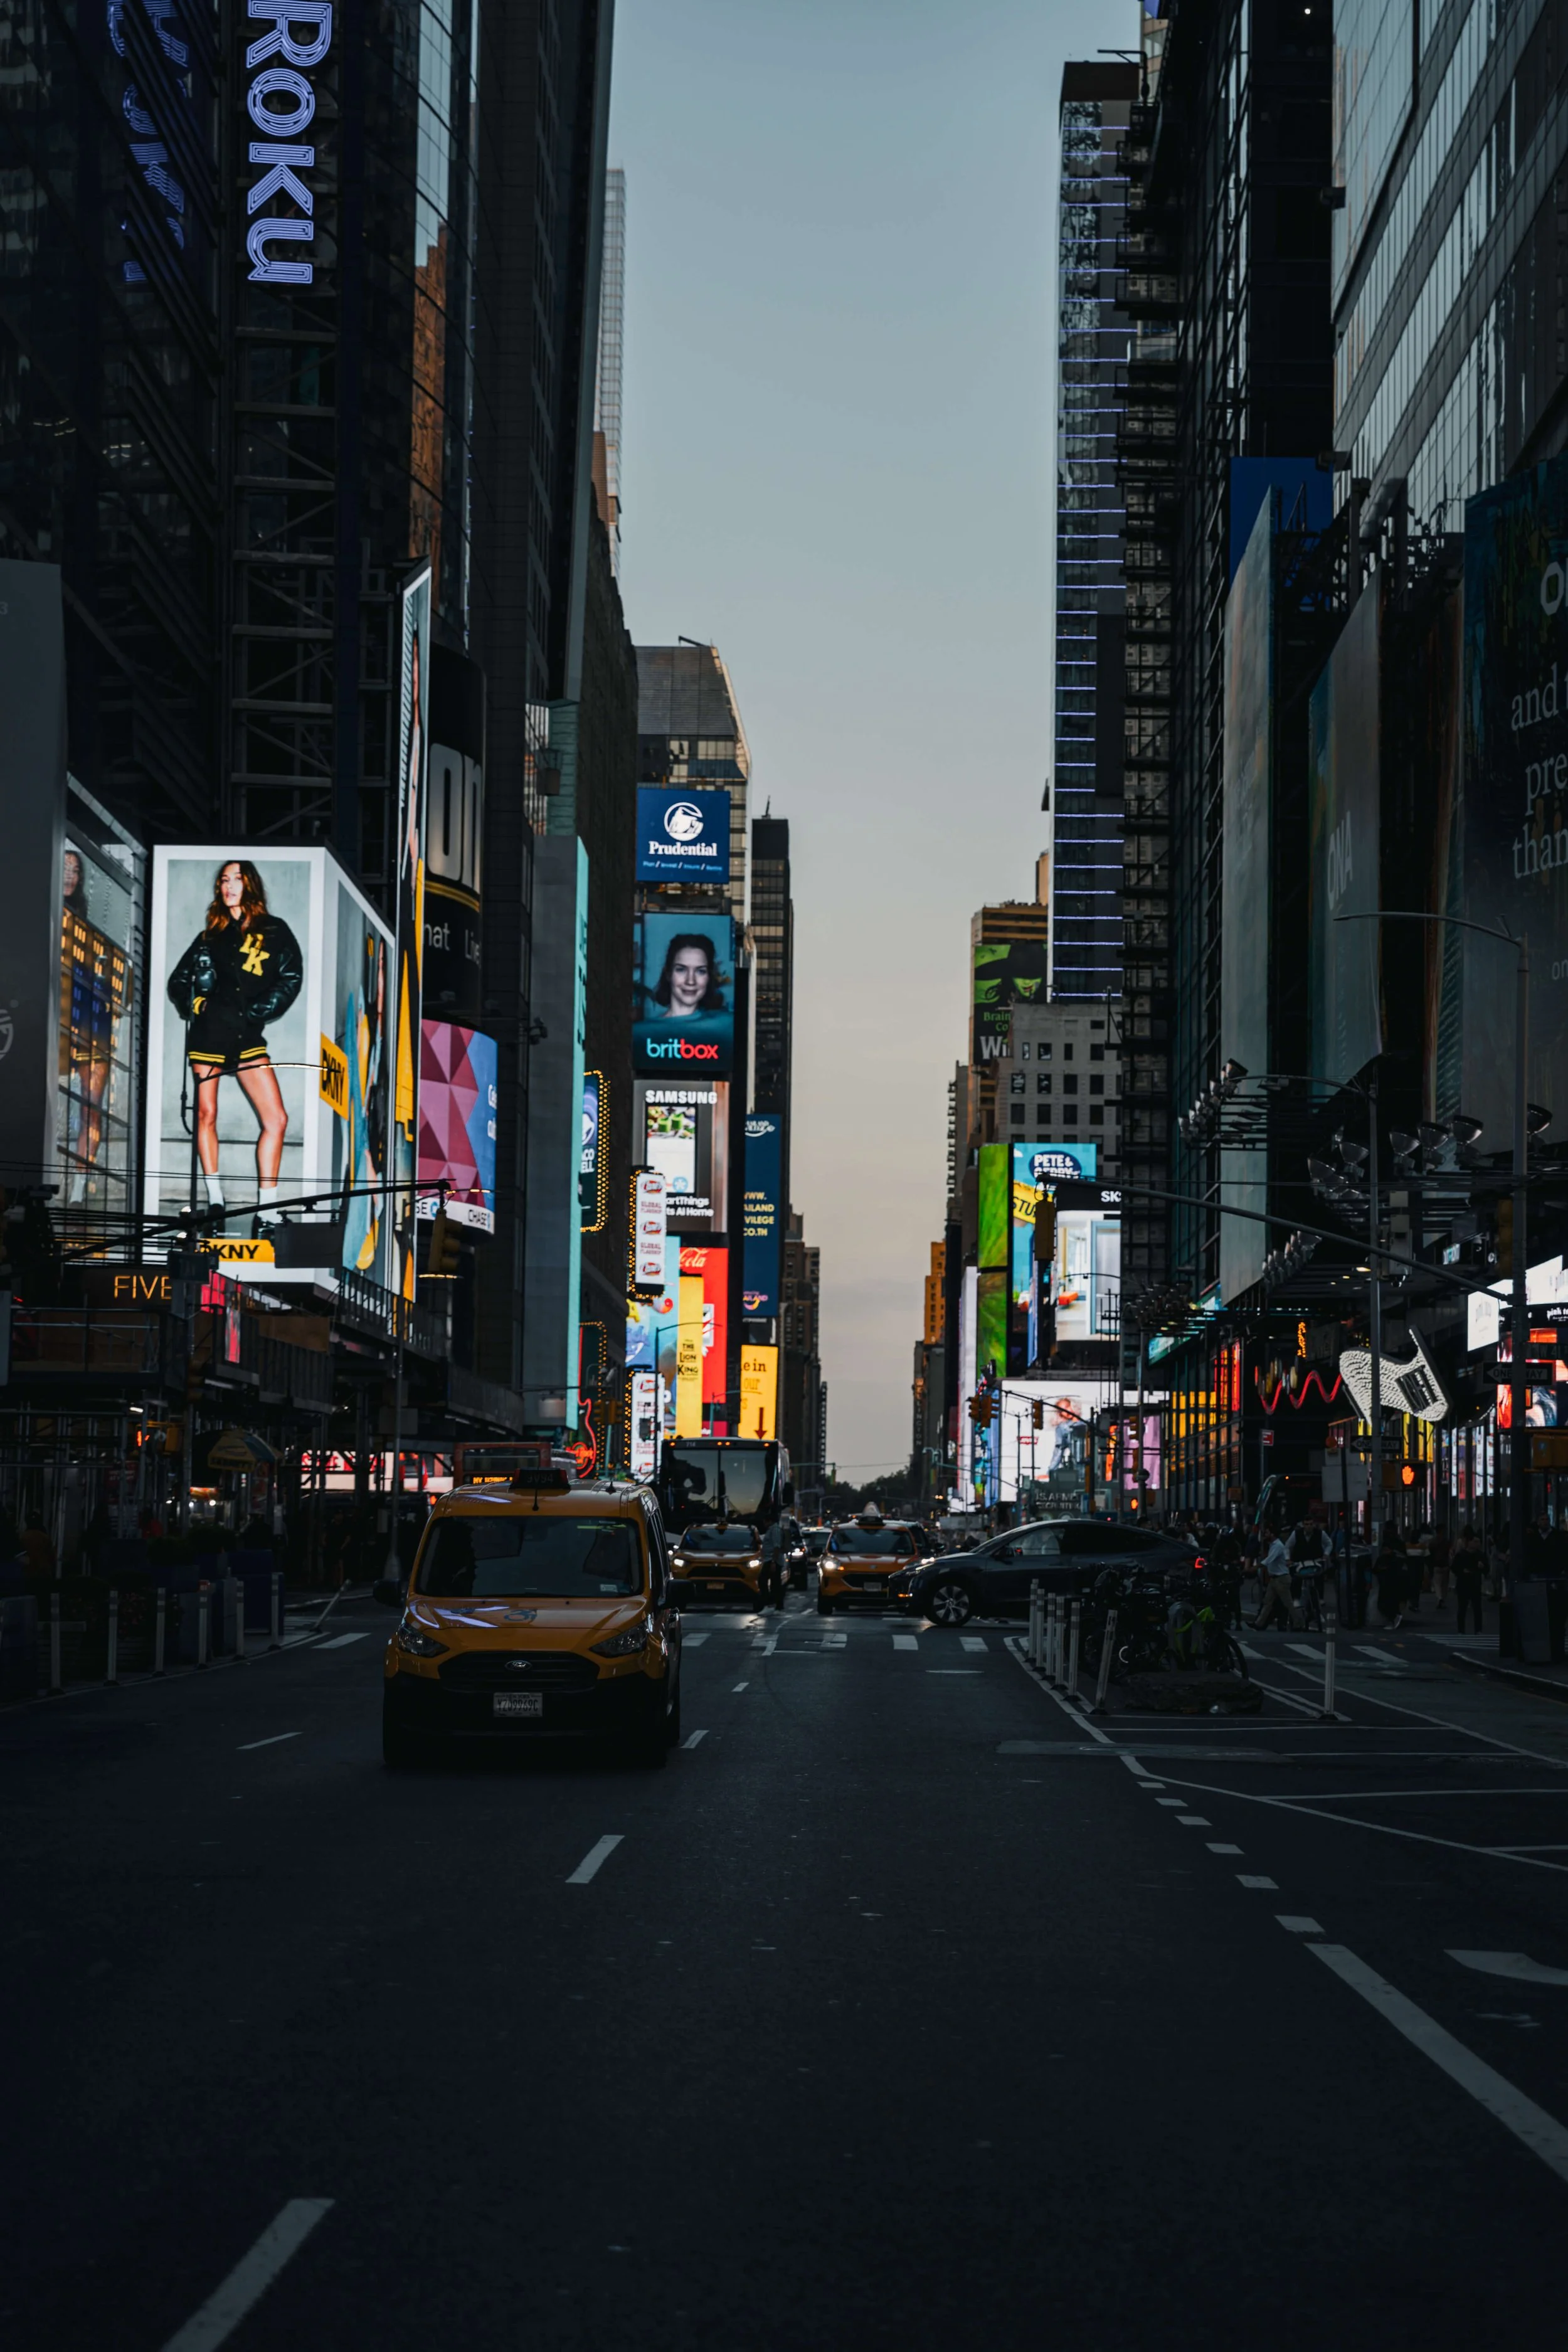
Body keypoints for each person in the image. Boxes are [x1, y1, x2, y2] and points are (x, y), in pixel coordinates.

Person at [167, 860, 304, 1229]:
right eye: (224, 880)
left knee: (276, 1119)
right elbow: (178, 982)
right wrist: (196, 1005)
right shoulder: (210, 936)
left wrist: (257, 1011)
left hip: (246, 1035)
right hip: (210, 1033)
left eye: (237, 880)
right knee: (206, 1114)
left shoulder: (274, 931)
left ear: (251, 885)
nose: (229, 886)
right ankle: (215, 1201)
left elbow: (291, 978)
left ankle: (268, 1209)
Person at [649, 934, 728, 1022]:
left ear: (709, 977)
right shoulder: (644, 1031)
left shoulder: (725, 1025)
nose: (691, 981)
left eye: (700, 971)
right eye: (681, 970)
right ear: (668, 974)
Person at [1252, 1528, 1297, 1630]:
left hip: (1281, 1579)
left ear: (1273, 1534)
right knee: (1267, 1602)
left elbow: (1269, 1559)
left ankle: (1299, 1623)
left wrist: (1255, 1568)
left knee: (1288, 1603)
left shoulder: (1278, 1546)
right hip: (1274, 1579)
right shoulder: (1273, 1545)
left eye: (1267, 1532)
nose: (1265, 1534)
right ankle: (1259, 1624)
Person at [1452, 1524, 1486, 1638]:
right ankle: (1461, 1630)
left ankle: (1478, 1630)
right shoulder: (1461, 1555)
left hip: (1476, 1583)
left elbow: (1487, 1569)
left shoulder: (1480, 1555)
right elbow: (1455, 1568)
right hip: (1463, 1584)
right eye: (1475, 1542)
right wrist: (1462, 1571)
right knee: (1462, 1607)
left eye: (1479, 1542)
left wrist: (1483, 1567)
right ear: (1470, 1543)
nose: (1478, 1544)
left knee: (1477, 1608)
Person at [1374, 1520, 1408, 1629]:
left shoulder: (1393, 1543)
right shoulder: (1395, 1542)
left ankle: (1393, 1617)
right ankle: (1393, 1617)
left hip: (1391, 1574)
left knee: (1387, 1600)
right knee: (1389, 1599)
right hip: (1390, 1574)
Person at [757, 1517, 787, 1610]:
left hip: (772, 1560)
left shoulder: (775, 1530)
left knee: (763, 1581)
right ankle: (778, 1606)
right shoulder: (772, 1530)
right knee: (776, 1584)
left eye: (765, 1522)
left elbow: (777, 1546)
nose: (764, 1525)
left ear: (769, 1521)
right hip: (769, 1559)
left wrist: (774, 1562)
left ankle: (769, 1604)